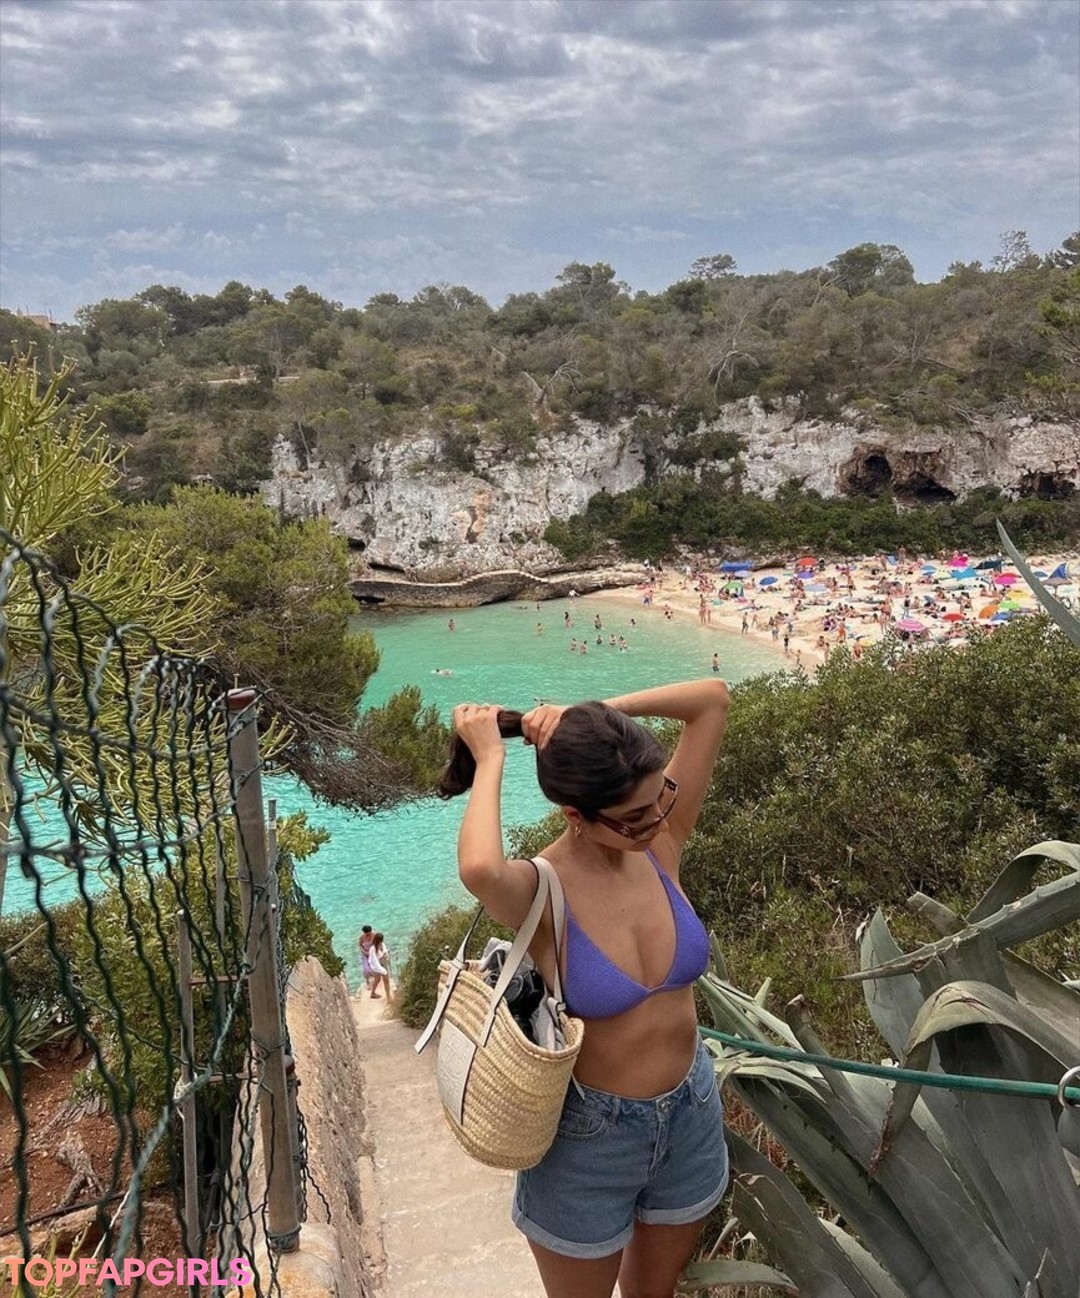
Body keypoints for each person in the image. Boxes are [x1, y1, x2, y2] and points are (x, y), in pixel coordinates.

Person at [440, 679, 730, 1298]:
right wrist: (490, 757)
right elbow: (480, 868)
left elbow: (712, 700)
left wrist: (590, 715)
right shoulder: (540, 893)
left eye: (660, 798)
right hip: (590, 1140)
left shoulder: (662, 841)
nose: (656, 819)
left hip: (691, 1112)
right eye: (633, 818)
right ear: (575, 815)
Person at [368, 931, 392, 1002]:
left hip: (383, 962)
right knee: (377, 980)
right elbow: (375, 961)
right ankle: (373, 993)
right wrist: (383, 970)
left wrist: (386, 956)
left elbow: (385, 951)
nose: (381, 942)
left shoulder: (382, 944)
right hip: (377, 965)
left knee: (386, 980)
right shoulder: (372, 949)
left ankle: (388, 997)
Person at [358, 925, 377, 995]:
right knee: (366, 969)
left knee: (374, 967)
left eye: (369, 933)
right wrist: (365, 952)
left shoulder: (375, 935)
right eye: (367, 934)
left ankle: (375, 980)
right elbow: (360, 946)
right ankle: (368, 982)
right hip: (365, 953)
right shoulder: (361, 937)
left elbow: (378, 944)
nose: (368, 935)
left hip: (373, 953)